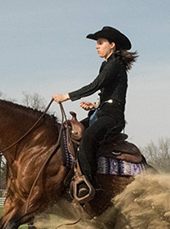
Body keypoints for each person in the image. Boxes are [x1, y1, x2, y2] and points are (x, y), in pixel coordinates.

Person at [53, 26, 138, 199]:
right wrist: (94, 105)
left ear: (112, 45)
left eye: (100, 43)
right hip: (101, 112)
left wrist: (66, 96)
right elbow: (109, 93)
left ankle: (86, 184)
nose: (96, 46)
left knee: (89, 138)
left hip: (112, 118)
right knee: (67, 131)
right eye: (97, 43)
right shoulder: (107, 64)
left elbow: (95, 85)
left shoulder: (115, 64)